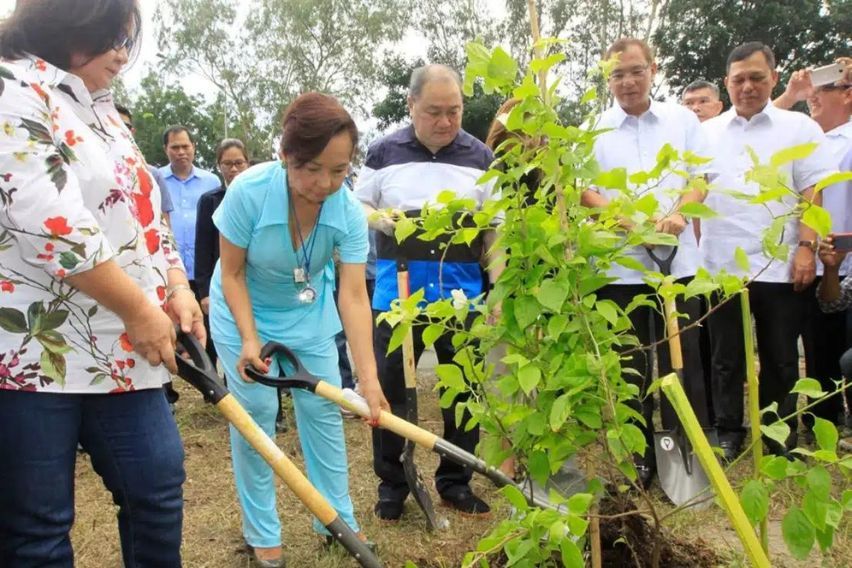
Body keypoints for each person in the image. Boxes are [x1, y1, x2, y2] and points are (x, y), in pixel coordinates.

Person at [0, 1, 206, 565]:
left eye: (126, 40)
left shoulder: (103, 110)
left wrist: (176, 286)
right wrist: (141, 309)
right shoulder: (12, 88)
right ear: (67, 24)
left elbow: (146, 213)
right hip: (35, 352)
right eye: (112, 38)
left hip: (123, 346)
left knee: (157, 492)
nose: (122, 54)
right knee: (38, 527)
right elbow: (50, 224)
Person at [209, 92, 388, 567]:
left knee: (323, 409)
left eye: (339, 170)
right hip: (242, 309)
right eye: (311, 168)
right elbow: (231, 274)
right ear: (285, 155)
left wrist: (368, 378)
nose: (325, 183)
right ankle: (262, 533)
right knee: (256, 414)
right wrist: (249, 339)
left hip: (307, 313)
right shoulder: (248, 192)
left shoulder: (346, 210)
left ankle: (335, 520)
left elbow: (354, 295)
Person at [356, 63, 501, 520]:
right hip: (398, 296)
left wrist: (497, 290)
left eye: (453, 111)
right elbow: (357, 205)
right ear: (411, 105)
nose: (445, 121)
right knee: (393, 390)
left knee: (464, 392)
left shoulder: (481, 157)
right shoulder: (383, 152)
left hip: (462, 296)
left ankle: (455, 481)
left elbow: (495, 230)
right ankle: (393, 483)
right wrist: (379, 219)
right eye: (434, 111)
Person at [581, 38, 713, 487]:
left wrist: (680, 214)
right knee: (631, 366)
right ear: (608, 79)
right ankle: (639, 456)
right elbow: (583, 191)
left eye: (636, 71)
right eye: (617, 74)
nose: (627, 82)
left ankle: (688, 445)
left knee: (684, 360)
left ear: (652, 70)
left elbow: (699, 177)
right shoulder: (594, 129)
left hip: (678, 265)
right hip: (620, 268)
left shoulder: (682, 121)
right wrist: (628, 221)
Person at [700, 42, 835, 459]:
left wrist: (806, 247)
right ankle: (729, 429)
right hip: (721, 265)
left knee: (780, 357)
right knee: (726, 358)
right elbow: (694, 192)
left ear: (774, 78)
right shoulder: (707, 133)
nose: (747, 87)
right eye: (738, 79)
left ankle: (777, 432)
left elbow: (813, 191)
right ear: (727, 83)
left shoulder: (799, 128)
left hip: (781, 264)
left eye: (757, 78)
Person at [773, 60, 852, 429]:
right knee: (804, 350)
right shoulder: (799, 136)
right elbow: (750, 126)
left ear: (847, 94)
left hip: (841, 263)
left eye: (824, 89)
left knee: (836, 352)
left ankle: (828, 420)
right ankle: (813, 420)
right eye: (812, 90)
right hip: (803, 259)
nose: (813, 96)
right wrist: (791, 95)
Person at [195, 138, 250, 370]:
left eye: (239, 163)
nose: (234, 169)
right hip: (222, 282)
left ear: (247, 163)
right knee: (225, 341)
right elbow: (202, 247)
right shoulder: (210, 201)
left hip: (252, 280)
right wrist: (204, 292)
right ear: (219, 166)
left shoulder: (257, 197)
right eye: (227, 164)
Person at [158, 125, 220, 288]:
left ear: (194, 146)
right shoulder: (155, 180)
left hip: (205, 273)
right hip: (168, 271)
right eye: (175, 147)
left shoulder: (212, 182)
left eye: (185, 146)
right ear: (165, 149)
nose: (181, 152)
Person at [115, 103, 175, 225]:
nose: (117, 130)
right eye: (111, 124)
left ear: (132, 132)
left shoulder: (153, 175)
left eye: (124, 126)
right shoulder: (84, 172)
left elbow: (164, 225)